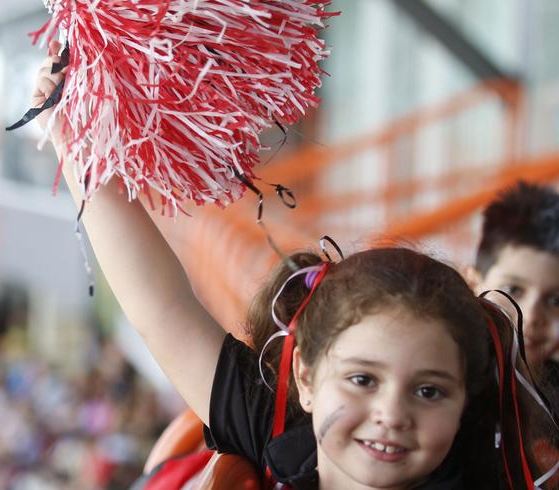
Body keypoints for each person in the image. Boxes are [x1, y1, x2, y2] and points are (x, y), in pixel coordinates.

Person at [31, 41, 557, 490]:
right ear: (305, 376)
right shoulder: (282, 427)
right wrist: (73, 139)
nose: (392, 414)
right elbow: (161, 308)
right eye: (362, 380)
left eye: (429, 391)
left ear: (466, 401)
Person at [471, 182, 559, 386]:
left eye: (555, 300)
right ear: (472, 282)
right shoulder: (447, 378)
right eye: (513, 290)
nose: (531, 316)